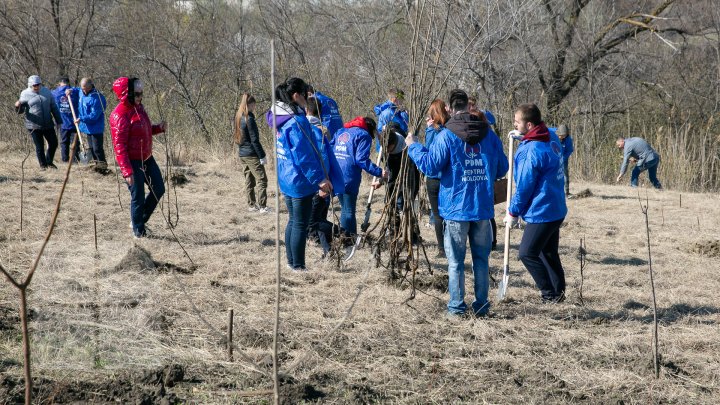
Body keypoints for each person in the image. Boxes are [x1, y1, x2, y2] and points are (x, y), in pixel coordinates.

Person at [407, 89, 509, 319]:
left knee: (455, 262)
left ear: (451, 109)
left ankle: (456, 307)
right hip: (482, 207)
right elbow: (502, 168)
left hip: (455, 209)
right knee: (481, 260)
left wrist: (413, 145)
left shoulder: (446, 135)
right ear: (469, 107)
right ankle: (481, 306)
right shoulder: (490, 135)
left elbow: (431, 167)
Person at [266, 77, 333, 272]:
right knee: (300, 223)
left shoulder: (282, 117)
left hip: (286, 178)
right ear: (296, 96)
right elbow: (304, 155)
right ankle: (298, 265)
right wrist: (319, 179)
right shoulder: (296, 122)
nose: (309, 97)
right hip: (299, 180)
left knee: (293, 220)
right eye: (306, 94)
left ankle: (290, 261)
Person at [504, 103, 567, 303]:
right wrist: (524, 137)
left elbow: (524, 187)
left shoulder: (531, 151)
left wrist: (513, 212)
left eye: (517, 122)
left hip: (543, 210)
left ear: (529, 124)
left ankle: (549, 294)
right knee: (547, 252)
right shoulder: (551, 135)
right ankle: (558, 293)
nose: (514, 124)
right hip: (556, 207)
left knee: (527, 253)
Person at [109, 77, 167, 238]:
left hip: (147, 157)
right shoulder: (119, 116)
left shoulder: (139, 108)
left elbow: (145, 129)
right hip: (132, 161)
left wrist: (158, 128)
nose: (141, 97)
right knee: (138, 196)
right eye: (137, 94)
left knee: (159, 188)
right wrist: (127, 171)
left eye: (142, 93)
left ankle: (139, 219)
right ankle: (139, 232)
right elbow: (119, 147)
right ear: (126, 94)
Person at [333, 116, 388, 237]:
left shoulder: (341, 131)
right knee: (349, 211)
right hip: (349, 175)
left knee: (344, 208)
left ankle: (345, 236)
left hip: (336, 173)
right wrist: (379, 172)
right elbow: (361, 159)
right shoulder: (363, 135)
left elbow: (331, 149)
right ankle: (351, 238)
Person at [15, 75, 62, 170]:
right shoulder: (25, 94)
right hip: (33, 125)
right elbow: (20, 112)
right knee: (40, 146)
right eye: (34, 85)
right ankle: (43, 165)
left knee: (54, 143)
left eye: (38, 85)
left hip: (48, 123)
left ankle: (49, 162)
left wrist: (59, 120)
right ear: (30, 85)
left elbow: (53, 107)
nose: (36, 87)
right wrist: (17, 106)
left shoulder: (47, 92)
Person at [423, 99, 451, 258]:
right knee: (447, 214)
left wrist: (429, 129)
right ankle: (448, 245)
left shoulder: (432, 131)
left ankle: (442, 248)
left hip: (434, 177)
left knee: (438, 214)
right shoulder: (450, 128)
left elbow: (428, 153)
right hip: (447, 177)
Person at [234, 93, 269, 213]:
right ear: (249, 104)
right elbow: (254, 140)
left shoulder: (238, 116)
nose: (255, 107)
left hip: (242, 153)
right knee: (262, 179)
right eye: (254, 105)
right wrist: (262, 155)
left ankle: (252, 205)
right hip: (251, 154)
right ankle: (263, 206)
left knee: (249, 179)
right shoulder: (249, 119)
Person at [73, 78, 107, 168]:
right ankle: (97, 165)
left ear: (90, 86)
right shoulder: (81, 91)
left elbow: (94, 116)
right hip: (87, 127)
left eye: (84, 88)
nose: (83, 90)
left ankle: (103, 167)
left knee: (97, 149)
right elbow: (77, 90)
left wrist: (81, 119)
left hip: (96, 128)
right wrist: (70, 90)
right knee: (92, 149)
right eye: (82, 87)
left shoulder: (97, 98)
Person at [52, 77, 80, 163]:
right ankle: (75, 159)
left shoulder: (54, 93)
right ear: (68, 83)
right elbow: (84, 89)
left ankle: (65, 159)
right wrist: (73, 89)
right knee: (74, 141)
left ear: (60, 83)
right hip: (74, 121)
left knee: (64, 142)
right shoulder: (75, 91)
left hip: (62, 122)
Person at [548, 124, 574, 195]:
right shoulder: (551, 132)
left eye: (564, 136)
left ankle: (567, 192)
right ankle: (551, 191)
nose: (562, 137)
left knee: (565, 174)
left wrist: (563, 158)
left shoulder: (568, 140)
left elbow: (569, 150)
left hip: (563, 159)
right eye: (560, 135)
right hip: (552, 158)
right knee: (551, 173)